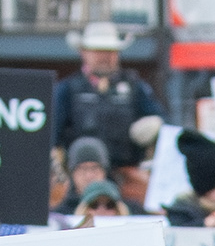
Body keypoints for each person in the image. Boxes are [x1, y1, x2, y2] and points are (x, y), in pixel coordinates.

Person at [50, 25, 157, 168]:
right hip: (83, 174)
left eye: (110, 51)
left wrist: (156, 125)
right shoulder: (68, 89)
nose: (105, 56)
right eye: (99, 50)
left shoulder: (135, 87)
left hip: (125, 173)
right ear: (83, 52)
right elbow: (52, 134)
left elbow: (163, 120)